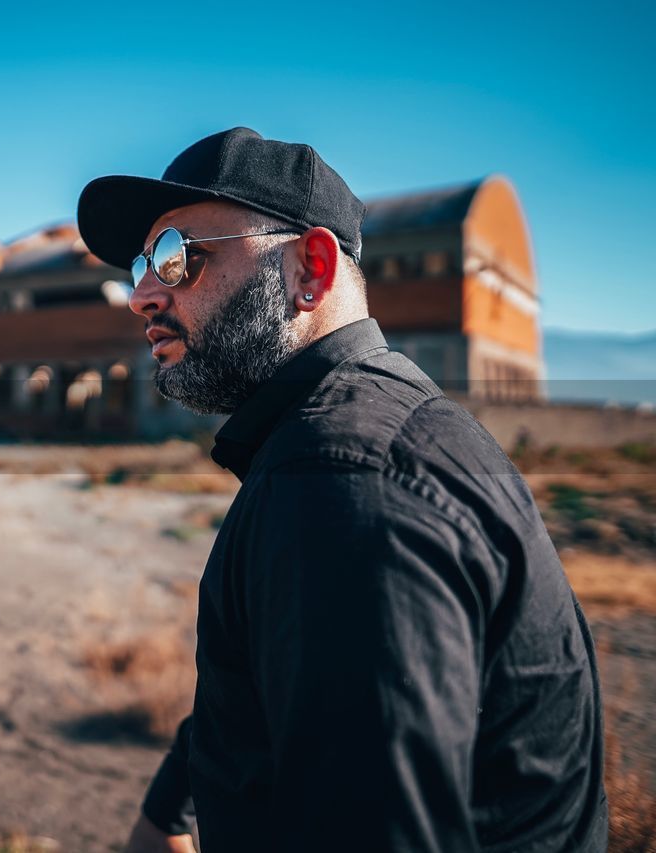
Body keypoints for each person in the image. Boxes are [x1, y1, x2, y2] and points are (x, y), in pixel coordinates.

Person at [76, 128, 607, 852]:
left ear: (311, 270)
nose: (141, 294)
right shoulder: (382, 430)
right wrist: (177, 800)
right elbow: (290, 687)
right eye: (145, 262)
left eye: (177, 258)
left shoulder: (341, 482)